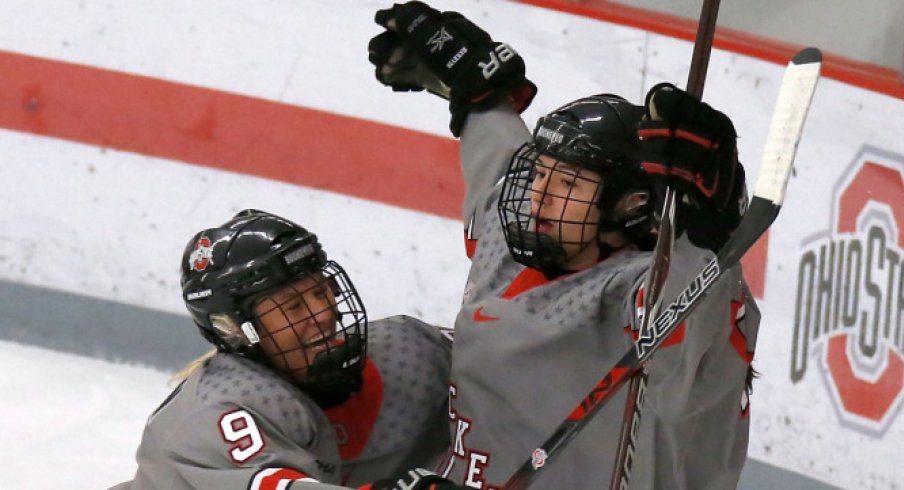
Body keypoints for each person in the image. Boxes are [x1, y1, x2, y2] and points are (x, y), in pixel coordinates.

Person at [368, 3, 760, 489]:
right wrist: (482, 95)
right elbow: (501, 158)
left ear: (631, 204)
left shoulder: (637, 292)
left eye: (569, 184)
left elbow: (690, 306)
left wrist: (705, 229)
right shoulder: (520, 232)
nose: (539, 194)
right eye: (541, 172)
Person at [111, 209, 468, 490]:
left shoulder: (411, 352)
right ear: (234, 330)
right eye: (293, 308)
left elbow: (500, 363)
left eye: (320, 291)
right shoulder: (222, 409)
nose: (323, 313)